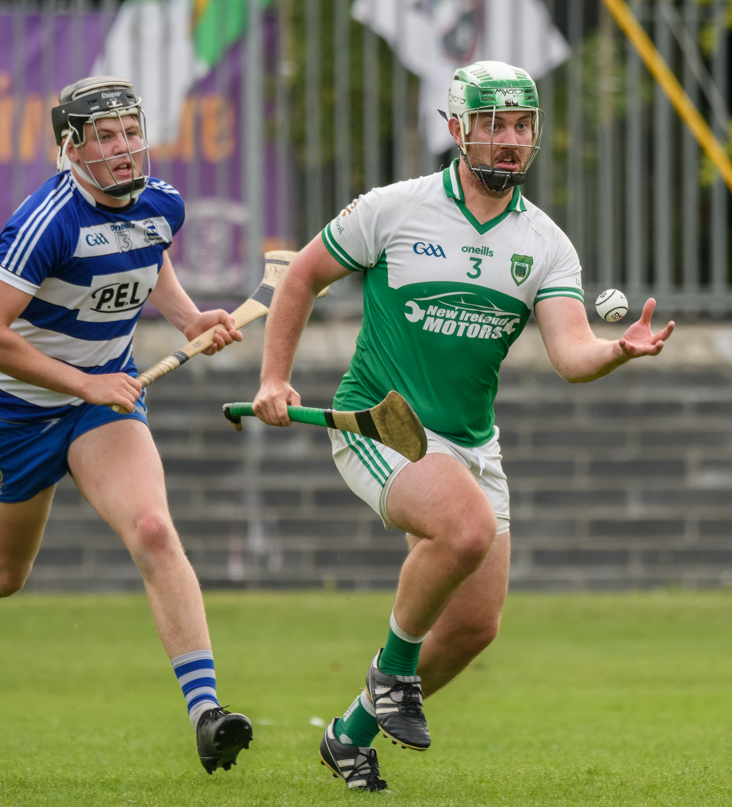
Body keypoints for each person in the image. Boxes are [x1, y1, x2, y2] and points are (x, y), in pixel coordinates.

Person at [252, 61, 675, 792]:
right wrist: (273, 377)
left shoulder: (544, 243)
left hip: (471, 443)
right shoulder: (393, 208)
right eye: (493, 125)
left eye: (522, 126)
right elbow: (300, 277)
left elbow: (570, 353)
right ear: (457, 129)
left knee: (476, 625)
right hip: (379, 424)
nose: (510, 141)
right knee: (465, 528)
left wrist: (615, 352)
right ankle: (391, 672)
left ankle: (348, 735)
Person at [0, 76, 254, 775]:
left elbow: (150, 259)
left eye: (131, 132)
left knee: (151, 528)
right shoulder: (44, 223)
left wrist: (186, 317)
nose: (124, 149)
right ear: (71, 148)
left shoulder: (161, 203)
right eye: (106, 137)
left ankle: (206, 712)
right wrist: (84, 379)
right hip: (17, 413)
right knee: (2, 573)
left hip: (101, 406)